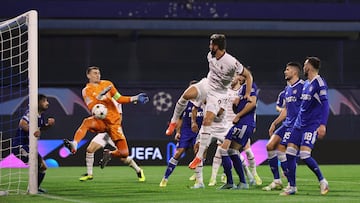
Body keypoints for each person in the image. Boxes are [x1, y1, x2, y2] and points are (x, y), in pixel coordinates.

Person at [165, 34, 254, 171]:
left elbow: (248, 75)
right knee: (185, 95)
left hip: (218, 93)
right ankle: (173, 121)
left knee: (207, 121)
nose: (209, 46)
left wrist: (247, 93)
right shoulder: (210, 56)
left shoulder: (231, 62)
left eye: (211, 44)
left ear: (217, 46)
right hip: (206, 84)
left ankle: (199, 157)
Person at [63, 66, 149, 182]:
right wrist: (99, 98)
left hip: (114, 125)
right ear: (88, 75)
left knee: (124, 154)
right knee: (87, 125)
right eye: (94, 73)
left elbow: (119, 99)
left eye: (98, 73)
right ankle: (75, 145)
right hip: (101, 123)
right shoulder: (86, 90)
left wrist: (135, 98)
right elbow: (92, 108)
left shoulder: (108, 85)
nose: (97, 75)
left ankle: (132, 167)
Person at [281, 57, 330, 196]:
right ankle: (292, 187)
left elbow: (325, 105)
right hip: (298, 125)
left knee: (304, 154)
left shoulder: (318, 82)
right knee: (289, 153)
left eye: (304, 64)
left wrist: (322, 125)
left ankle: (322, 181)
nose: (303, 66)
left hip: (311, 125)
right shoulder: (307, 84)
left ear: (309, 66)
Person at [79, 99, 145, 182]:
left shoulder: (116, 101)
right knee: (90, 150)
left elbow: (119, 118)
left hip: (114, 132)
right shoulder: (102, 100)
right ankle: (89, 174)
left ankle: (138, 170)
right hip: (104, 133)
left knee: (123, 157)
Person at [262, 62, 303, 191]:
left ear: (295, 72)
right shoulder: (288, 90)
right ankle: (277, 181)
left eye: (287, 69)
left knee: (282, 149)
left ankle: (291, 182)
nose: (285, 72)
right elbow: (285, 110)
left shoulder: (303, 86)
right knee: (269, 146)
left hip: (296, 125)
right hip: (286, 124)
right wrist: (274, 123)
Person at [159, 83, 204, 187]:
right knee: (178, 153)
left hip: (199, 131)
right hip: (186, 132)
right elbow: (178, 118)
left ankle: (198, 180)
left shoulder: (203, 101)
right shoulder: (186, 102)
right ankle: (165, 178)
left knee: (198, 153)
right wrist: (178, 132)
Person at [218, 74, 257, 189]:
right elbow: (241, 106)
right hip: (242, 123)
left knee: (223, 149)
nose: (238, 77)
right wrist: (236, 105)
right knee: (231, 151)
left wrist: (238, 115)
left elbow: (253, 103)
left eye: (240, 74)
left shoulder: (250, 87)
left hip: (244, 123)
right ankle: (242, 182)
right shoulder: (242, 90)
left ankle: (232, 182)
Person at [12, 94, 55, 193]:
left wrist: (49, 125)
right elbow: (22, 124)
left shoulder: (41, 115)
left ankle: (35, 188)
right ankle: (31, 189)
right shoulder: (31, 113)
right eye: (45, 101)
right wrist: (32, 131)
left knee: (43, 167)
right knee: (35, 165)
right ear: (38, 103)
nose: (47, 103)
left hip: (29, 147)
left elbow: (41, 128)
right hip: (20, 146)